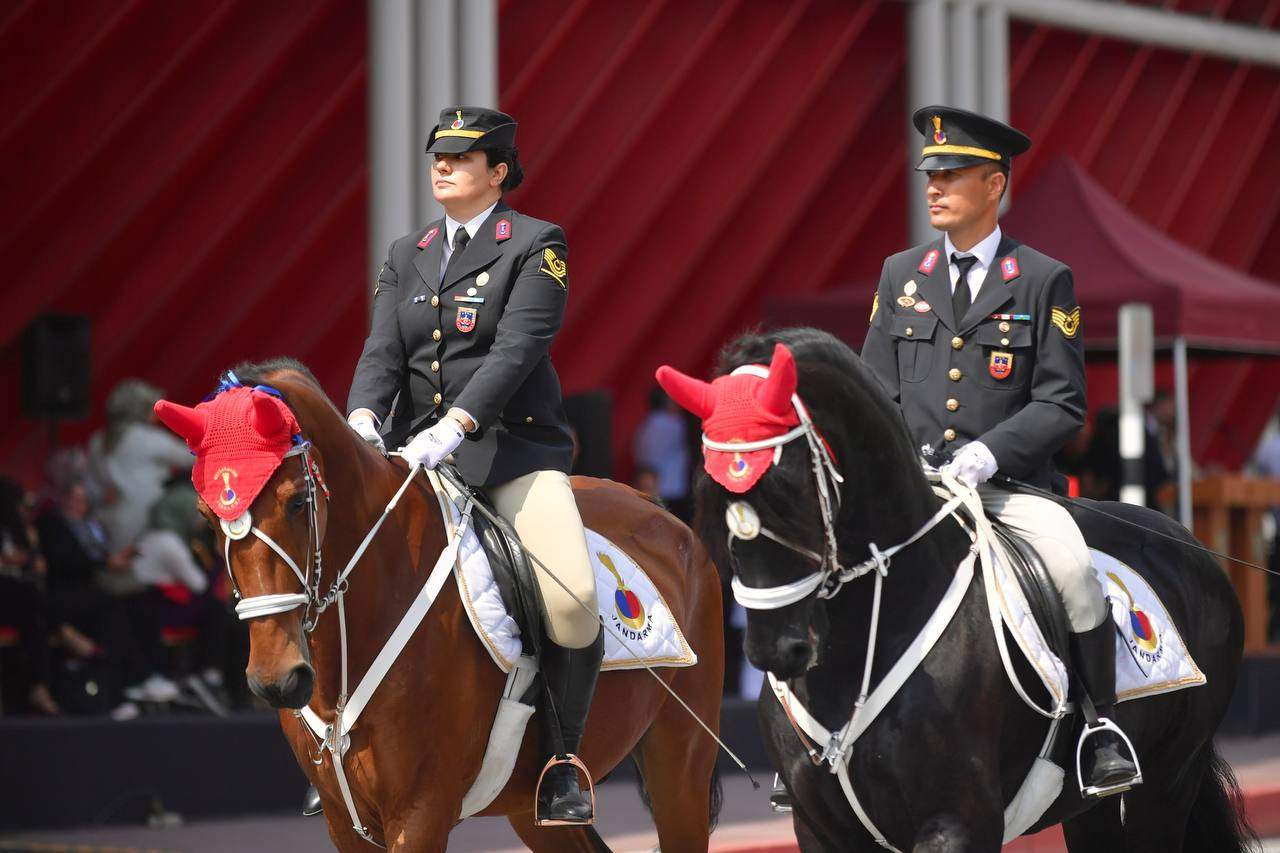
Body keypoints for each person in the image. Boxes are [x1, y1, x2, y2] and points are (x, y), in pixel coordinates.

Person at [861, 106, 1139, 796]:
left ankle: (1100, 728)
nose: (933, 186)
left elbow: (1062, 401)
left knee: (1074, 571)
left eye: (952, 174)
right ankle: (813, 738)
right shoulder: (901, 274)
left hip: (1007, 489)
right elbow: (874, 389)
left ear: (994, 185)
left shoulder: (1043, 278)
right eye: (930, 174)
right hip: (916, 489)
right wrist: (899, 459)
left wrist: (988, 454)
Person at [346, 106, 601, 824]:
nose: (443, 165)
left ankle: (561, 763)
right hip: (412, 458)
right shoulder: (407, 251)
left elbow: (518, 349)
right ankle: (340, 752)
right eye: (438, 155)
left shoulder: (536, 243)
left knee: (573, 600)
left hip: (508, 454)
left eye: (461, 157)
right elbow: (382, 351)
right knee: (342, 578)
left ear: (499, 172)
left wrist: (456, 424)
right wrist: (363, 419)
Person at [632, 385, 693, 521]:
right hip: (672, 490)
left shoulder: (645, 425)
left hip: (650, 488)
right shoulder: (673, 425)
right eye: (674, 400)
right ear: (666, 402)